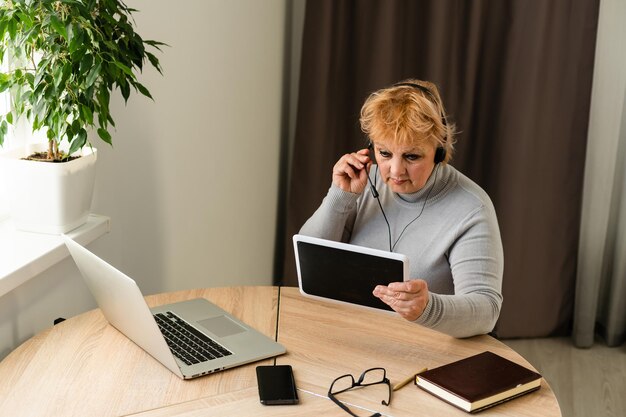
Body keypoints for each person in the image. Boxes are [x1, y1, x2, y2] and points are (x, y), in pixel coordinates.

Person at [299, 79, 503, 338]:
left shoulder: (472, 208)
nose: (395, 171)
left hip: (426, 349)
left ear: (439, 153)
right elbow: (309, 263)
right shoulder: (363, 182)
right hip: (354, 335)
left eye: (412, 156)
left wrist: (428, 308)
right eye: (384, 153)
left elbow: (486, 311)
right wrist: (340, 196)